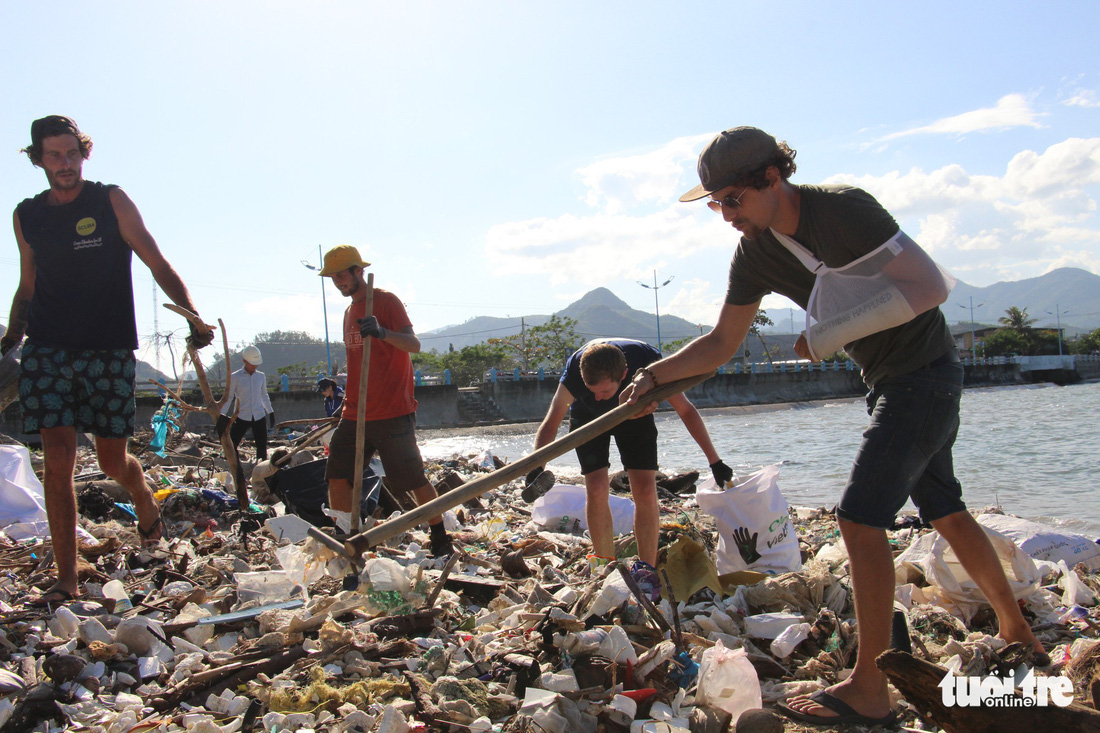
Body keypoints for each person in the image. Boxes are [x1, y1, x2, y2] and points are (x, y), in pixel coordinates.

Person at [621, 126, 1047, 726]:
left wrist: (825, 335)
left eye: (733, 200)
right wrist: (654, 379)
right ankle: (1016, 627)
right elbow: (721, 343)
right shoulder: (755, 253)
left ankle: (872, 687)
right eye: (716, 204)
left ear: (773, 179)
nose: (725, 217)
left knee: (858, 518)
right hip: (888, 382)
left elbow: (926, 287)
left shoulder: (845, 209)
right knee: (946, 509)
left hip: (924, 376)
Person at [1, 115, 213, 607]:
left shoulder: (110, 200)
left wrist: (192, 316)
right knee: (58, 460)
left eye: (72, 153)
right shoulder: (26, 215)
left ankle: (142, 498)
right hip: (48, 350)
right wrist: (13, 333)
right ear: (38, 159)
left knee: (112, 460)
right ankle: (67, 578)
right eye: (54, 155)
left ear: (84, 153)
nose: (65, 163)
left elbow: (157, 262)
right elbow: (27, 286)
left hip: (108, 350)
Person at [529, 338, 732, 573]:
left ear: (625, 374)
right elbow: (552, 421)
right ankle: (603, 564)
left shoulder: (648, 364)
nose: (598, 396)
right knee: (595, 487)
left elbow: (685, 410)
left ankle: (647, 569)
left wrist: (715, 461)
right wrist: (537, 467)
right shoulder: (576, 373)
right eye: (591, 389)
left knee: (645, 490)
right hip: (587, 418)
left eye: (604, 390)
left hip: (635, 411)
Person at [317, 244, 452, 556]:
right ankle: (347, 534)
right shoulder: (349, 312)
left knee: (412, 479)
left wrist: (381, 331)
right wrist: (343, 404)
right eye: (333, 278)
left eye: (342, 275)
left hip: (392, 411)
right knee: (337, 475)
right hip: (356, 413)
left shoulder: (386, 302)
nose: (338, 282)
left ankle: (440, 536)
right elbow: (356, 364)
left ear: (358, 272)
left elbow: (413, 344)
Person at [216, 345, 275, 461]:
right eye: (252, 364)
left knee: (262, 447)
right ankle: (235, 469)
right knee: (232, 445)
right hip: (241, 416)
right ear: (244, 361)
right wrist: (221, 416)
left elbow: (264, 395)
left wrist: (270, 412)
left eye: (256, 364)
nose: (254, 366)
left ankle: (262, 473)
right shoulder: (235, 377)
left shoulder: (260, 376)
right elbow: (229, 397)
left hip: (259, 415)